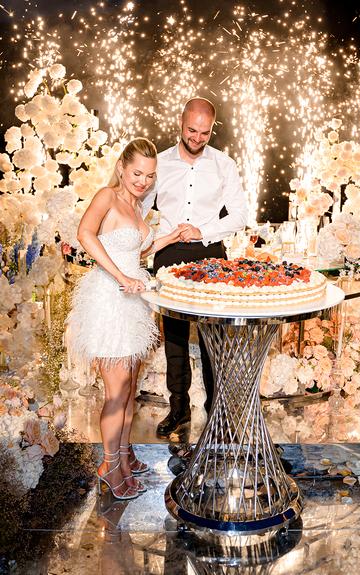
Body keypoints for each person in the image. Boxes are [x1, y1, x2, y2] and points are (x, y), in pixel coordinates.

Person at [66, 137, 182, 500]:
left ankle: (124, 460)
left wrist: (172, 236)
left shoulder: (137, 206)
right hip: (109, 301)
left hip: (133, 301)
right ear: (122, 167)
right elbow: (85, 234)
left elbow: (140, 248)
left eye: (149, 175)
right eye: (137, 173)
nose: (143, 181)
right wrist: (120, 277)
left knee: (130, 390)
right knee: (115, 394)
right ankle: (109, 466)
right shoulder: (107, 196)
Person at [142, 97, 248, 437]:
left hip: (210, 254)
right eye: (191, 130)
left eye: (204, 132)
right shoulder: (157, 163)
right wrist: (149, 241)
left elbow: (240, 215)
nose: (197, 138)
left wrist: (204, 230)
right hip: (169, 254)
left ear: (211, 129)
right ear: (181, 122)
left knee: (213, 339)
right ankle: (178, 411)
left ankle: (217, 413)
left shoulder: (223, 164)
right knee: (173, 337)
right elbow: (138, 208)